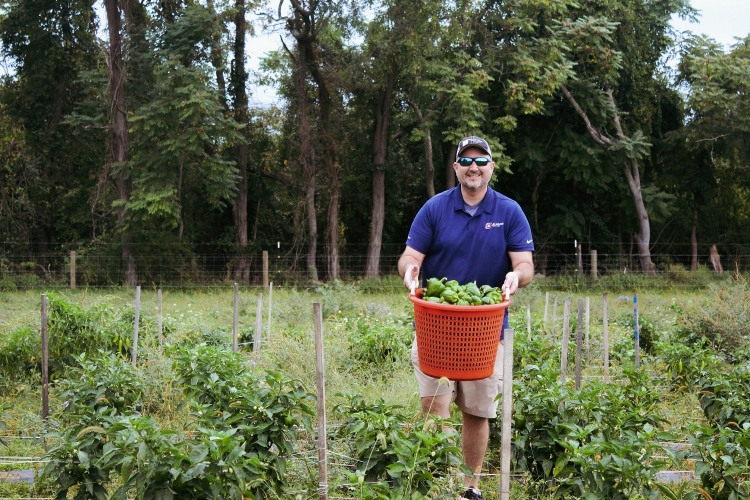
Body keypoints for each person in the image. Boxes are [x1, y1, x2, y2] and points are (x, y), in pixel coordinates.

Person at [397, 135, 534, 500]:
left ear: (491, 167)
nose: (474, 166)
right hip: (436, 326)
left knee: (477, 411)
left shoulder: (509, 211)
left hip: (488, 329)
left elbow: (524, 263)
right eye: (466, 160)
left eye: (481, 160)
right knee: (434, 408)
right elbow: (410, 256)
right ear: (456, 167)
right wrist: (411, 271)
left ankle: (469, 489)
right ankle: (437, 483)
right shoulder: (434, 209)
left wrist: (515, 276)